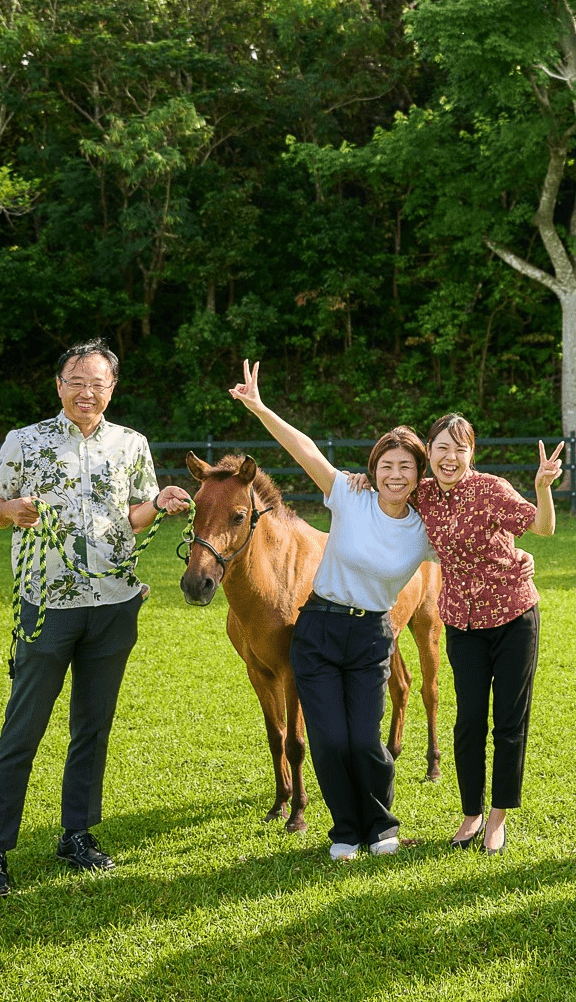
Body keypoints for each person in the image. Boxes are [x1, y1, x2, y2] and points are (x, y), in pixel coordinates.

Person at [0, 338, 192, 898]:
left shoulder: (131, 444)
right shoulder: (25, 442)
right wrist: (11, 513)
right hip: (47, 607)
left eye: (98, 383)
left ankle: (77, 834)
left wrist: (159, 503)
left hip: (115, 605)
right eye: (77, 381)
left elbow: (132, 518)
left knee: (92, 727)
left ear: (112, 389)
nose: (87, 392)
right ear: (59, 385)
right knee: (22, 730)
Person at [229, 359, 436, 861]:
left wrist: (519, 557)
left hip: (370, 635)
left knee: (365, 741)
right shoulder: (348, 494)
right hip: (319, 629)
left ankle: (381, 827)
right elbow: (304, 449)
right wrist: (260, 408)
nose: (393, 474)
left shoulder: (427, 526)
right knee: (328, 741)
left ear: (418, 475)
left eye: (404, 467)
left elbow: (476, 532)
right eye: (385, 465)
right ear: (373, 469)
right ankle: (345, 830)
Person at [403, 416, 561, 854]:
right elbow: (388, 487)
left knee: (509, 723)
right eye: (441, 448)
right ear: (428, 451)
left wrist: (543, 487)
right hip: (461, 622)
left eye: (460, 449)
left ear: (471, 453)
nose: (450, 458)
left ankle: (497, 818)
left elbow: (543, 528)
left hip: (513, 616)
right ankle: (471, 812)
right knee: (469, 722)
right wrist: (363, 480)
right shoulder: (422, 492)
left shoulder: (491, 489)